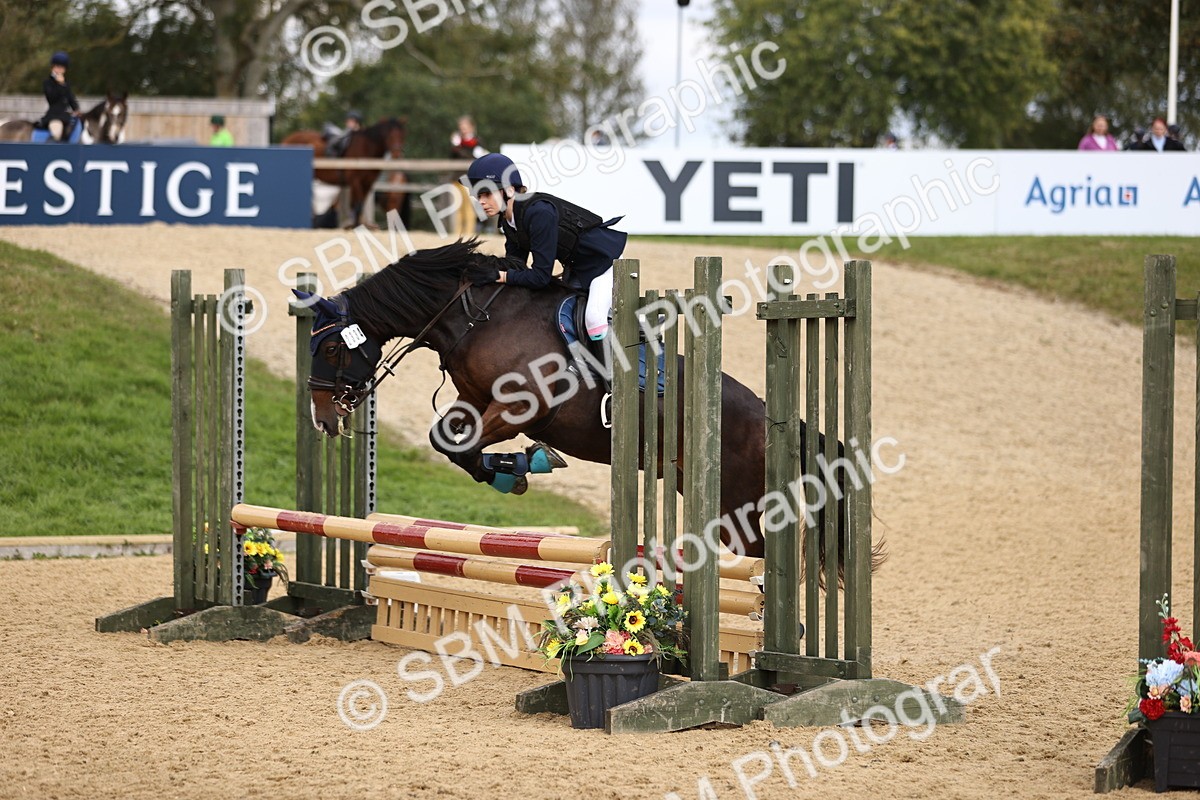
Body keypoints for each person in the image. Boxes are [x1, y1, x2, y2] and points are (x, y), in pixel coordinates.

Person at [465, 153, 626, 343]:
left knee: (594, 319)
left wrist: (499, 276)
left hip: (604, 263)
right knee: (563, 312)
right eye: (478, 196)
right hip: (577, 269)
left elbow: (540, 276)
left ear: (508, 190)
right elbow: (515, 266)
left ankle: (624, 349)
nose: (481, 202)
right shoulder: (509, 222)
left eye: (487, 194)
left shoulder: (539, 213)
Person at [450, 116, 487, 236]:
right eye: (461, 127)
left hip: (469, 179)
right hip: (456, 178)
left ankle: (469, 233)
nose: (463, 129)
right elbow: (452, 158)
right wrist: (454, 146)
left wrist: (457, 147)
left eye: (465, 127)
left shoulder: (477, 142)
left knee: (469, 206)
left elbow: (472, 157)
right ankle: (457, 233)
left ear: (471, 127)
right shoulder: (458, 141)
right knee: (457, 207)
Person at [40, 51, 79, 142]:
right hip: (54, 116)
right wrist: (60, 85)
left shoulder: (66, 83)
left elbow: (70, 98)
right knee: (57, 133)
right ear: (53, 67)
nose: (59, 70)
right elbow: (52, 97)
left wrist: (76, 109)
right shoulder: (48, 83)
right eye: (57, 67)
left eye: (62, 67)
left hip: (66, 116)